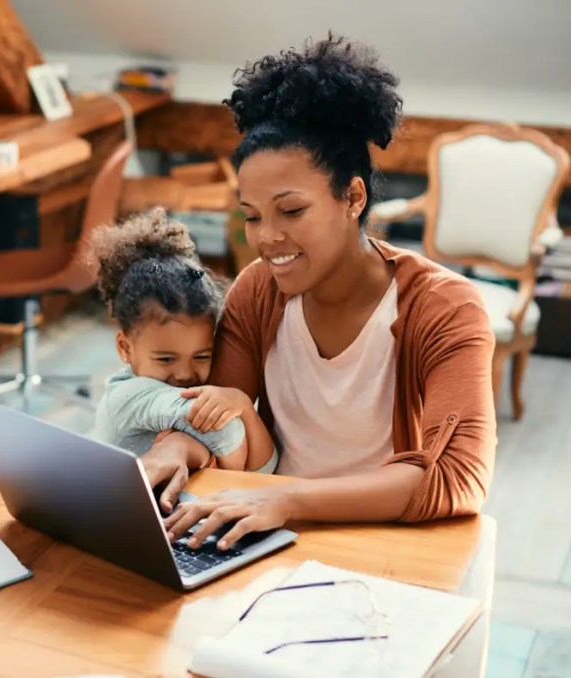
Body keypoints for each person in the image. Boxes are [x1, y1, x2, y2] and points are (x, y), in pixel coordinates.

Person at [147, 34, 497, 552]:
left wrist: (288, 500)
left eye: (291, 211)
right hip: (262, 532)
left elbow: (457, 479)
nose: (266, 238)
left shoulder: (444, 308)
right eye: (252, 216)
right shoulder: (256, 292)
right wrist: (173, 447)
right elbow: (218, 421)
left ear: (352, 196)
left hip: (381, 541)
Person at [89, 209, 277, 473]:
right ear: (125, 348)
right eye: (166, 358)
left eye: (201, 356)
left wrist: (244, 405)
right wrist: (229, 472)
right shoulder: (126, 397)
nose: (185, 373)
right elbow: (226, 432)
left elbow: (266, 469)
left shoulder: (191, 401)